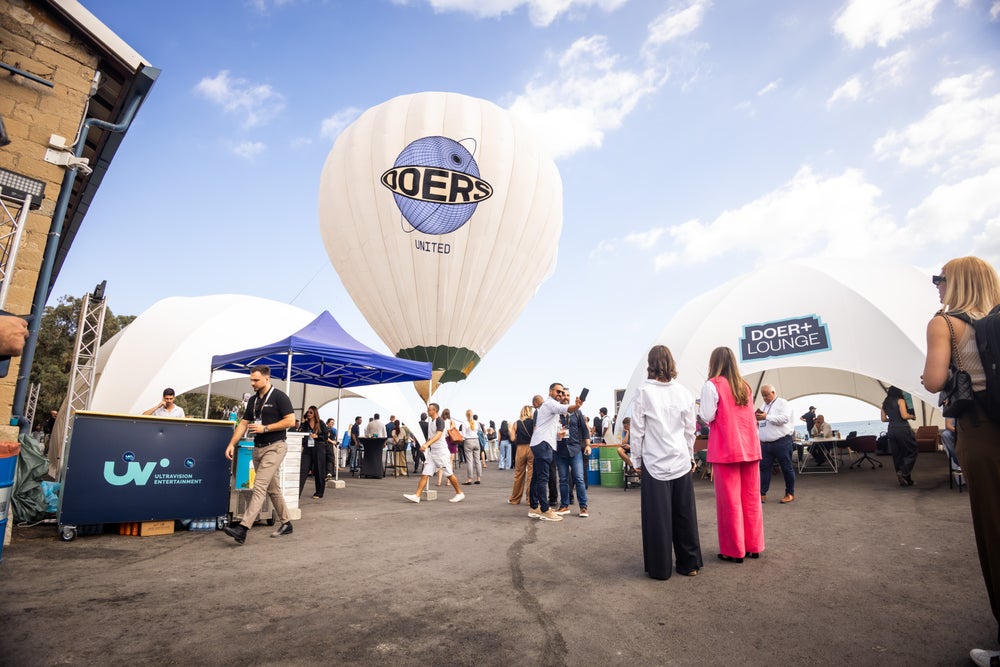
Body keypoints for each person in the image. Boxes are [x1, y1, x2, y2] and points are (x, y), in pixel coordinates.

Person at [920, 257, 1000, 665]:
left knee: (994, 531)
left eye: (940, 278)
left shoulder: (946, 323)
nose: (936, 284)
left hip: (982, 432)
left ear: (957, 283)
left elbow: (933, 380)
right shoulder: (995, 320)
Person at [631, 345, 702, 579]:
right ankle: (689, 564)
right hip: (680, 459)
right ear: (671, 363)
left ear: (650, 364)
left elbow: (638, 431)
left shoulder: (643, 392)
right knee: (685, 514)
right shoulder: (684, 392)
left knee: (658, 518)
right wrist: (690, 455)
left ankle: (660, 569)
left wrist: (636, 460)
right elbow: (690, 430)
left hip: (654, 461)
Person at [699, 347, 764, 563]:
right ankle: (754, 545)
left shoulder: (712, 384)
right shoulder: (744, 385)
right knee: (751, 498)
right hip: (750, 447)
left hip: (727, 447)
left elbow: (707, 415)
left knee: (730, 502)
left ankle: (733, 550)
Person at [222, 365, 296, 544]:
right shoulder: (254, 401)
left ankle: (243, 528)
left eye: (256, 380)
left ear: (267, 379)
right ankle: (287, 523)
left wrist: (266, 427)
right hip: (258, 448)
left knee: (260, 486)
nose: (252, 383)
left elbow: (291, 421)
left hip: (275, 447)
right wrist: (231, 444)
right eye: (251, 380)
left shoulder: (279, 397)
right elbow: (243, 424)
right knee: (272, 488)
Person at [528, 383, 584, 522]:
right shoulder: (550, 404)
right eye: (558, 391)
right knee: (542, 478)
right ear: (550, 391)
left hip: (540, 443)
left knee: (537, 477)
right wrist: (577, 406)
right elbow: (565, 408)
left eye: (562, 392)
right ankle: (544, 509)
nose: (560, 394)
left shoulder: (547, 406)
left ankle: (535, 507)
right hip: (544, 444)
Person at [403, 402, 465, 504]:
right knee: (425, 473)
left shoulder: (440, 421)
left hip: (441, 452)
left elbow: (438, 435)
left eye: (429, 409)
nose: (428, 411)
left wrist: (427, 445)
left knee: (449, 474)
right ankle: (417, 496)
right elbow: (431, 436)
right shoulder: (430, 421)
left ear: (434, 410)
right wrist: (426, 444)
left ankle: (459, 493)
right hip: (433, 452)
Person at [754, 384, 795, 504]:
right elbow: (763, 423)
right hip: (766, 443)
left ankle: (790, 493)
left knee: (786, 468)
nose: (765, 398)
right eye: (763, 395)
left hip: (782, 441)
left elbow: (784, 419)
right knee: (764, 468)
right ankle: (762, 493)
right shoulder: (763, 406)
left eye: (766, 395)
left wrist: (767, 417)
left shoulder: (783, 403)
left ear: (773, 392)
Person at [555, 387, 591, 518]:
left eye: (567, 395)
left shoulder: (577, 413)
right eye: (563, 395)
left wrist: (588, 445)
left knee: (579, 479)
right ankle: (564, 506)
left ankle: (583, 507)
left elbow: (585, 430)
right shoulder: (555, 413)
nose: (565, 397)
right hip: (560, 451)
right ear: (559, 397)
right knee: (563, 480)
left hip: (575, 450)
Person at [881, 386, 917, 487]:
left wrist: (892, 419)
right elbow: (904, 416)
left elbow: (883, 419)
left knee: (897, 455)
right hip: (902, 429)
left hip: (891, 429)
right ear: (898, 391)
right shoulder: (900, 400)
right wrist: (912, 416)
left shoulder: (885, 403)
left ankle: (906, 480)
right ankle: (903, 472)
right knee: (911, 451)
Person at [298, 405, 328, 499]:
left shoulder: (320, 423)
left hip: (318, 448)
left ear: (315, 413)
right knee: (303, 470)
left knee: (319, 470)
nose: (309, 414)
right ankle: (297, 493)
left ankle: (319, 492)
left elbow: (326, 437)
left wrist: (317, 436)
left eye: (311, 412)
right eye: (308, 412)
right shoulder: (305, 424)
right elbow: (300, 433)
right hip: (307, 448)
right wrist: (302, 422)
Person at [508, 405, 535, 505]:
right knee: (531, 475)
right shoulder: (534, 422)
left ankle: (515, 499)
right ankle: (530, 499)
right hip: (532, 448)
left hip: (520, 449)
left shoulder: (516, 423)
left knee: (519, 474)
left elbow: (512, 438)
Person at [461, 409, 482, 485]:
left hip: (468, 441)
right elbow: (480, 431)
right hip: (476, 441)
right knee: (477, 461)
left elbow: (463, 435)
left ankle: (469, 479)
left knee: (470, 461)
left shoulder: (464, 423)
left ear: (466, 415)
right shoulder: (477, 423)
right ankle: (478, 478)